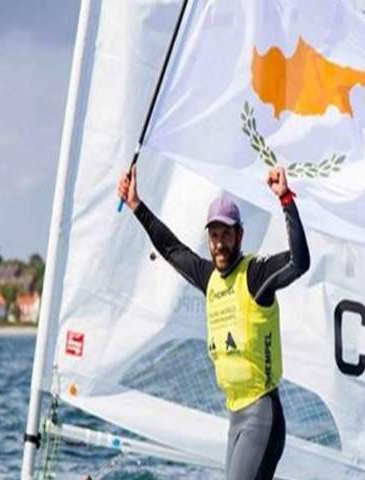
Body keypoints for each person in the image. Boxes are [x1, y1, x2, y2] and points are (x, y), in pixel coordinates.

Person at [118, 165, 310, 480]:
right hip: (236, 417)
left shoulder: (255, 276)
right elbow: (172, 249)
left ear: (239, 236)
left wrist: (286, 199)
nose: (220, 244)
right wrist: (137, 206)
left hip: (262, 415)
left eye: (226, 235)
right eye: (214, 235)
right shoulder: (210, 279)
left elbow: (299, 262)